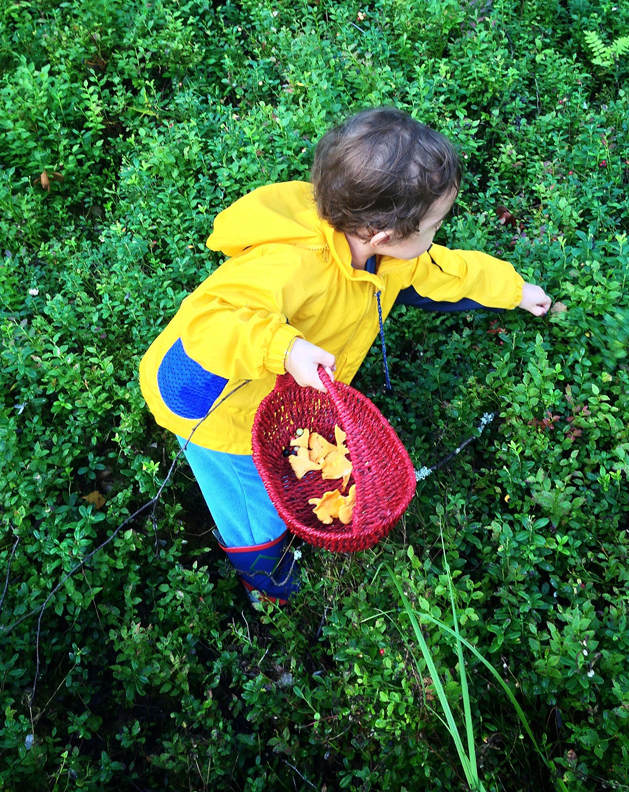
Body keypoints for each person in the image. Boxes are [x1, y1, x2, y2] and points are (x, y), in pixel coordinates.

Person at [138, 107, 551, 603]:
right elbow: (211, 323)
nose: (435, 239)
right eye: (433, 227)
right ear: (383, 236)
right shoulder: (291, 261)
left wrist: (515, 290)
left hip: (269, 386)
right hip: (215, 403)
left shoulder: (385, 253)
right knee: (249, 500)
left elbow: (445, 271)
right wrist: (284, 349)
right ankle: (266, 586)